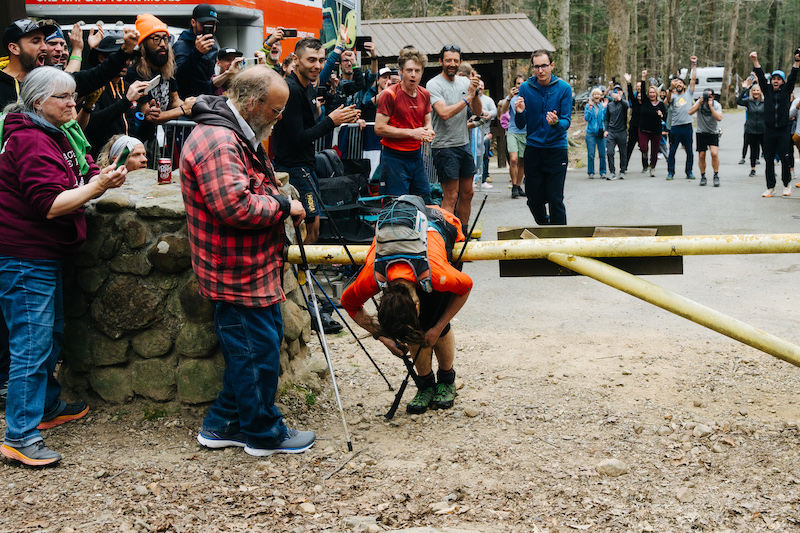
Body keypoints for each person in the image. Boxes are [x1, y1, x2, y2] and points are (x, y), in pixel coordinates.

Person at [180, 65, 315, 457]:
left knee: (255, 350)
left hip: (250, 268)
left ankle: (222, 423)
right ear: (253, 104)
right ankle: (262, 433)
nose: (280, 118)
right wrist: (283, 204)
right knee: (256, 354)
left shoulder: (235, 131)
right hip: (235, 271)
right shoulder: (220, 141)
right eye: (276, 110)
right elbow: (235, 207)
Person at [0, 67, 128, 466]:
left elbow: (75, 173)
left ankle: (47, 407)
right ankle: (19, 435)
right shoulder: (30, 140)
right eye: (65, 98)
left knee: (48, 336)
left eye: (74, 96)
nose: (74, 103)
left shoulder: (53, 133)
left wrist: (96, 175)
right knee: (32, 346)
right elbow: (50, 204)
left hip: (41, 254)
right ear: (38, 102)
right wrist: (99, 187)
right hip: (25, 256)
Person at [340, 196, 472, 415]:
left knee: (433, 319)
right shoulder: (373, 277)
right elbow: (349, 303)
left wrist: (438, 327)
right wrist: (384, 337)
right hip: (401, 234)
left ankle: (446, 379)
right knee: (417, 327)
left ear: (417, 302)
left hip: (437, 224)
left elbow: (465, 288)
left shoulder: (438, 275)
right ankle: (425, 385)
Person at [272, 37, 359, 244]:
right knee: (310, 232)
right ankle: (301, 275)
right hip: (295, 170)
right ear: (296, 60)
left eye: (321, 60)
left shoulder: (307, 86)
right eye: (311, 60)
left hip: (306, 167)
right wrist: (331, 121)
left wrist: (337, 117)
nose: (317, 65)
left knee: (313, 230)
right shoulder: (291, 90)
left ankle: (304, 274)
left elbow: (308, 128)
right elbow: (298, 138)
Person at [514, 49, 572, 225]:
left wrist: (555, 123)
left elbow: (566, 122)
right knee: (534, 200)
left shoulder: (564, 89)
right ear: (533, 68)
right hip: (534, 149)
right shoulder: (525, 88)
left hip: (556, 149)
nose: (540, 70)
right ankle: (545, 227)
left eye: (544, 66)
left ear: (552, 65)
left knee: (555, 199)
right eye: (537, 67)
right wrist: (519, 113)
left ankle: (560, 239)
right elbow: (520, 124)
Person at [127, 14, 196, 159]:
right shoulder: (135, 73)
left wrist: (193, 106)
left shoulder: (167, 68)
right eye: (156, 39)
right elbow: (150, 115)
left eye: (165, 39)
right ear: (144, 44)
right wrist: (183, 109)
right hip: (139, 140)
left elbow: (174, 99)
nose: (163, 44)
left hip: (159, 137)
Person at [427, 44, 481, 230]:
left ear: (460, 62)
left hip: (463, 144)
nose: (452, 63)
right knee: (451, 195)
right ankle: (447, 239)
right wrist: (468, 98)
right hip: (444, 146)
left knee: (468, 193)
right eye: (448, 60)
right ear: (441, 61)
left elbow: (478, 112)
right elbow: (444, 113)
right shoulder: (433, 84)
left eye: (455, 60)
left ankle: (463, 233)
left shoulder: (464, 83)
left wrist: (476, 93)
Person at [374, 47, 434, 197]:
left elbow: (428, 121)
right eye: (409, 70)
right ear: (400, 71)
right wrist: (412, 133)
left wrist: (428, 131)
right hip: (394, 156)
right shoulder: (389, 94)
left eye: (417, 70)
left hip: (416, 156)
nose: (413, 75)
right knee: (398, 205)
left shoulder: (424, 94)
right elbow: (379, 128)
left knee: (423, 198)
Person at [83, 35, 150, 159]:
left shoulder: (129, 88)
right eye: (121, 56)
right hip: (100, 161)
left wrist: (149, 122)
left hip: (128, 160)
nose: (126, 61)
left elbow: (136, 136)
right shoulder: (93, 87)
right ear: (102, 58)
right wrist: (126, 101)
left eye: (129, 57)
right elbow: (91, 123)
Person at [751, 48, 800, 197]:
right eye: (774, 79)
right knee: (769, 159)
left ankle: (786, 185)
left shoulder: (786, 90)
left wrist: (797, 61)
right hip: (769, 130)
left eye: (779, 79)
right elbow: (759, 74)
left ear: (783, 81)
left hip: (784, 130)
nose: (775, 81)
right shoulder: (767, 90)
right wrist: (755, 60)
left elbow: (793, 76)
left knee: (785, 158)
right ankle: (770, 187)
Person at [173, 3, 219, 98]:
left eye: (212, 25)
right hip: (187, 101)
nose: (208, 29)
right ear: (193, 22)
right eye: (204, 25)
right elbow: (178, 77)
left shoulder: (213, 47)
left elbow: (208, 78)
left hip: (206, 99)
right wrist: (197, 53)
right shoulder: (181, 45)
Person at [665, 57, 697, 180]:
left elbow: (693, 79)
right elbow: (667, 102)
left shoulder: (688, 93)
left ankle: (689, 172)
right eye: (676, 84)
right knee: (672, 151)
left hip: (687, 126)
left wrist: (694, 66)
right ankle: (670, 172)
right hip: (675, 127)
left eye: (680, 83)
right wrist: (670, 88)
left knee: (689, 151)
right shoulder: (672, 95)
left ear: (684, 85)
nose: (679, 85)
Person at [498, 75, 527, 198]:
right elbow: (503, 111)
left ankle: (519, 185)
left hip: (526, 132)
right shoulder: (511, 98)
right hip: (512, 131)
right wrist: (509, 98)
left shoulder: (529, 96)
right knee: (513, 159)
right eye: (518, 83)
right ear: (515, 85)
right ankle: (514, 185)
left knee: (522, 161)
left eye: (522, 83)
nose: (520, 86)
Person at [689, 90, 723, 187]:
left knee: (714, 153)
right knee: (701, 155)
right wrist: (699, 103)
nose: (708, 99)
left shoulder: (716, 105)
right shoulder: (699, 103)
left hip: (713, 132)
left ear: (713, 97)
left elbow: (719, 118)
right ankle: (703, 176)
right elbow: (690, 112)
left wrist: (711, 107)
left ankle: (716, 175)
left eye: (710, 96)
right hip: (701, 132)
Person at [736, 78, 765, 178]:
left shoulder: (765, 102)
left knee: (767, 150)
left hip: (763, 129)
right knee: (753, 150)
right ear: (752, 92)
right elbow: (738, 101)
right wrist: (744, 89)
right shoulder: (749, 101)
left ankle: (770, 168)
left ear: (760, 91)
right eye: (754, 91)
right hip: (751, 129)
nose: (756, 92)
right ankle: (753, 169)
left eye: (757, 90)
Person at [638, 85, 667, 177]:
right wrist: (643, 78)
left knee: (655, 151)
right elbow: (642, 92)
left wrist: (661, 114)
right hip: (644, 129)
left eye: (653, 92)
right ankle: (645, 156)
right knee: (643, 148)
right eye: (650, 92)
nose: (652, 94)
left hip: (656, 130)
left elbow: (665, 117)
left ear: (656, 94)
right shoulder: (645, 102)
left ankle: (653, 167)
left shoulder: (661, 104)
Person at [604, 83, 629, 180]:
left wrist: (620, 99)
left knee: (623, 152)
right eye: (615, 91)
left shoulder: (623, 104)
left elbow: (627, 106)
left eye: (618, 91)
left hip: (622, 131)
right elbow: (607, 119)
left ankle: (622, 171)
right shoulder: (610, 105)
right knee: (610, 152)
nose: (616, 93)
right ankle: (612, 172)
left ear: (621, 93)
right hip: (611, 132)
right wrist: (606, 130)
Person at [584, 87, 607, 179]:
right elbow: (587, 118)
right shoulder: (588, 106)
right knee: (591, 154)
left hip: (601, 132)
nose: (596, 96)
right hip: (590, 133)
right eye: (594, 94)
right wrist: (590, 108)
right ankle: (591, 172)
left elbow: (604, 119)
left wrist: (604, 109)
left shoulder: (603, 106)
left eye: (598, 94)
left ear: (600, 96)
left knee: (602, 154)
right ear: (592, 96)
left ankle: (603, 172)